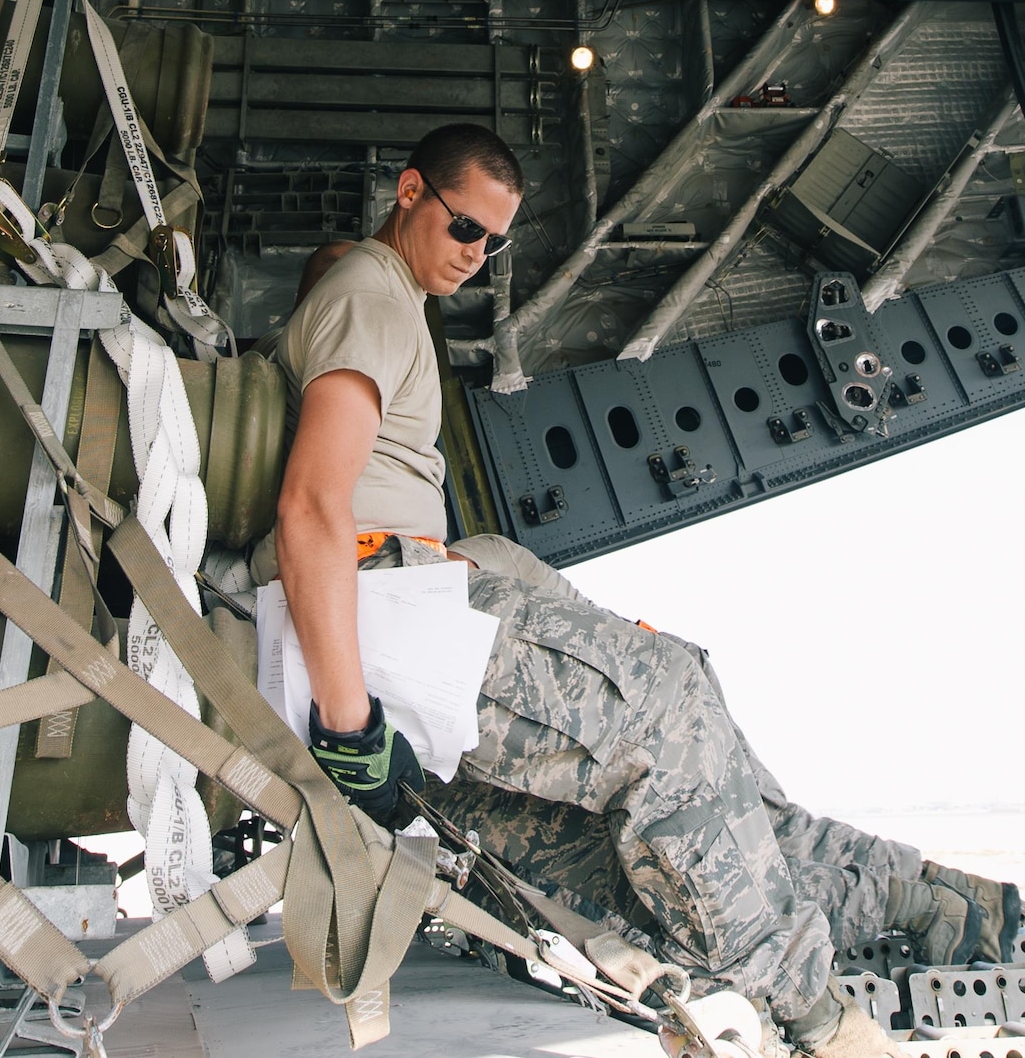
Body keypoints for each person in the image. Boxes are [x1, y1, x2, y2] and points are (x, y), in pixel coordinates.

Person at [254, 123, 1019, 1057]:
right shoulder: (371, 295)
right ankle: (822, 1022)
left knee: (690, 814)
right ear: (409, 190)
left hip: (402, 605)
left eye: (494, 243)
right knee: (666, 704)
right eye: (465, 228)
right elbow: (311, 508)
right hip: (379, 613)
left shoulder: (385, 295)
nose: (478, 256)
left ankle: (953, 911)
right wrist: (348, 728)